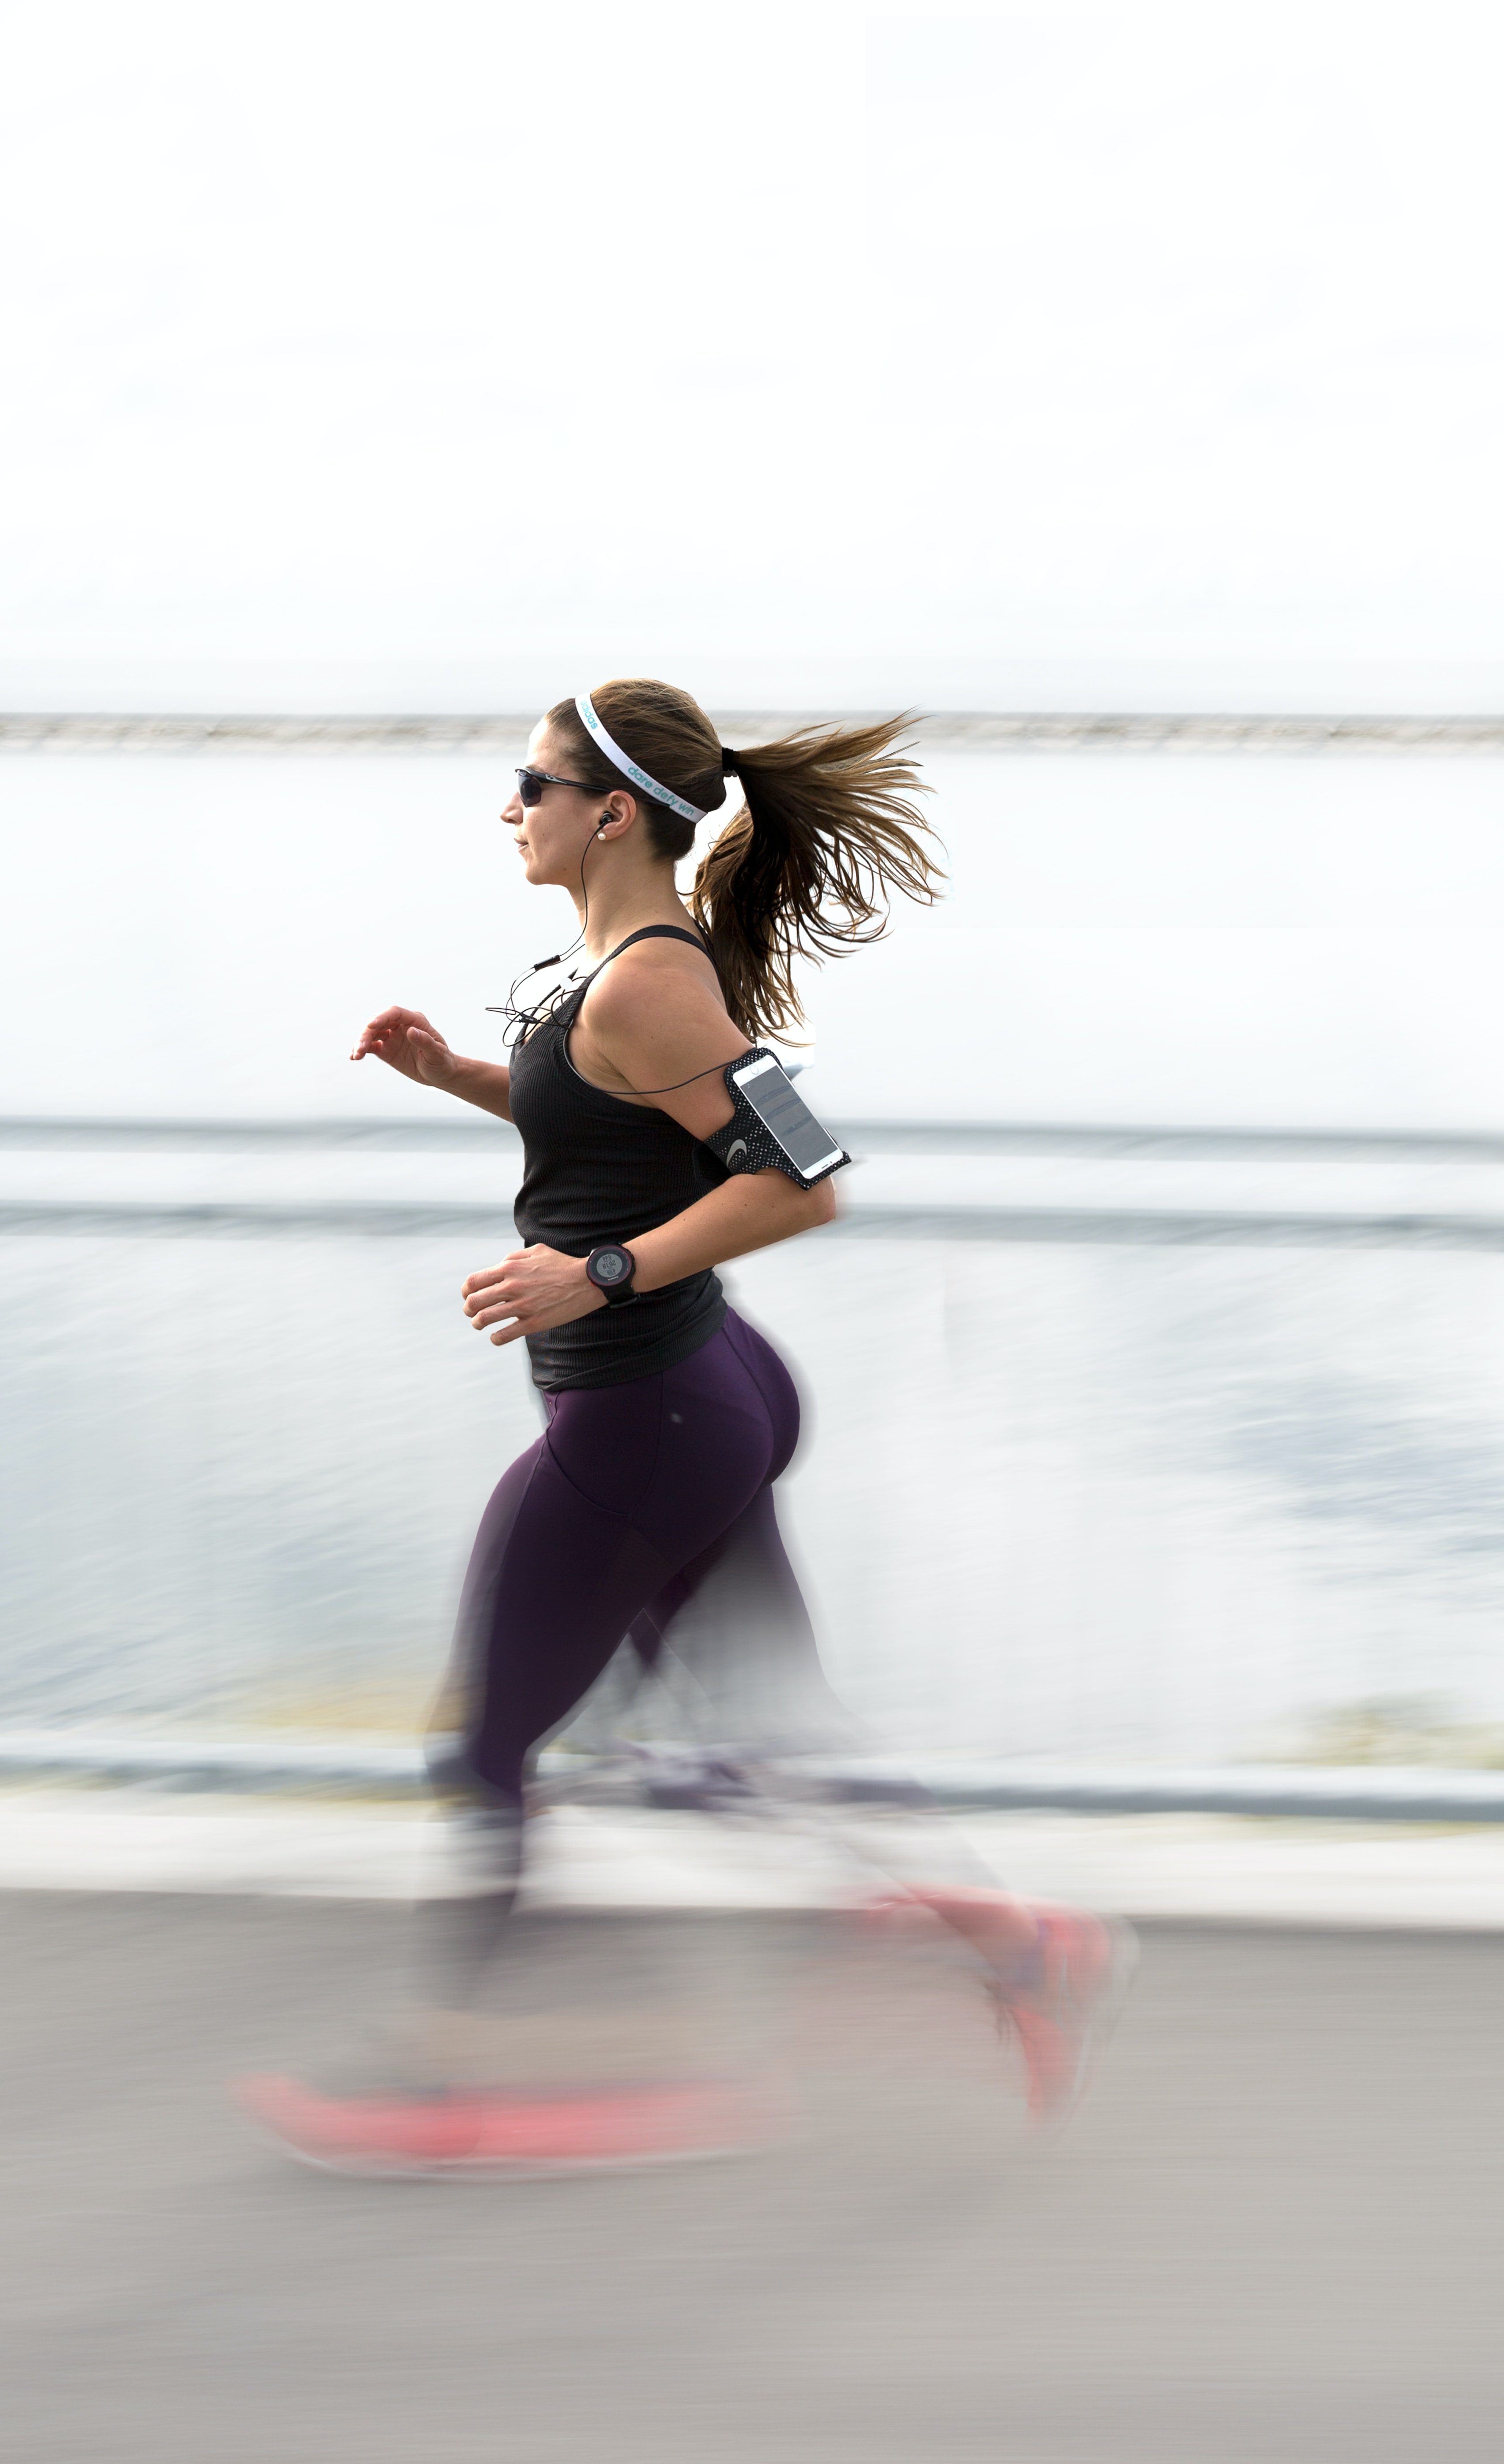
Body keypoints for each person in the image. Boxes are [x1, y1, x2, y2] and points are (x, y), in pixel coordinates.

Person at [238, 678, 1126, 2173]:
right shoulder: (622, 969)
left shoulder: (652, 978)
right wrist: (458, 1073)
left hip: (648, 1412)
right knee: (774, 1732)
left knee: (489, 1753)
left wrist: (598, 1275)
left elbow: (805, 1179)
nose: (509, 809)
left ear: (608, 813)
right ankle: (1020, 1944)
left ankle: (434, 2085)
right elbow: (619, 1122)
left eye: (529, 784)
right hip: (705, 1394)